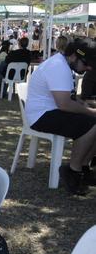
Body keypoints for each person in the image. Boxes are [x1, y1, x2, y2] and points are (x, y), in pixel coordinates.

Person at [25, 38, 96, 196]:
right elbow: (64, 104)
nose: (89, 67)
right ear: (73, 56)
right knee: (92, 124)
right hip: (42, 116)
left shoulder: (62, 64)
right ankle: (73, 171)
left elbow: (68, 98)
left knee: (91, 121)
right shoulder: (58, 67)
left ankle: (84, 167)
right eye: (86, 64)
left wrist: (86, 106)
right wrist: (91, 112)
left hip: (50, 111)